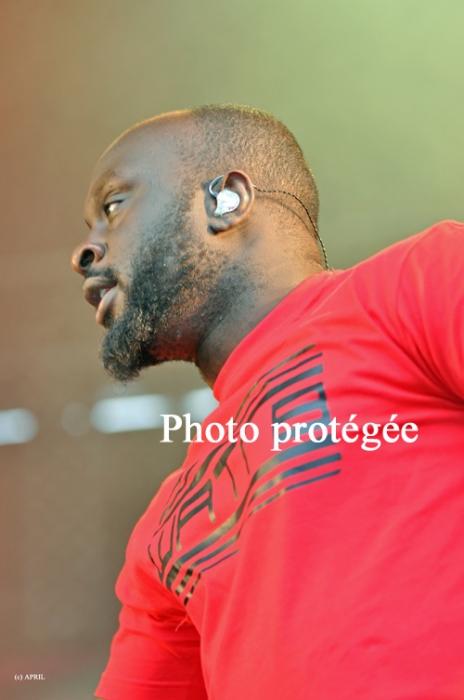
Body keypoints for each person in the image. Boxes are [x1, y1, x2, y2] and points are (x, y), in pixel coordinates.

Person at [71, 104, 464, 700]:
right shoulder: (161, 530)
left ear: (225, 201)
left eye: (114, 206)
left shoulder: (412, 286)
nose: (84, 252)